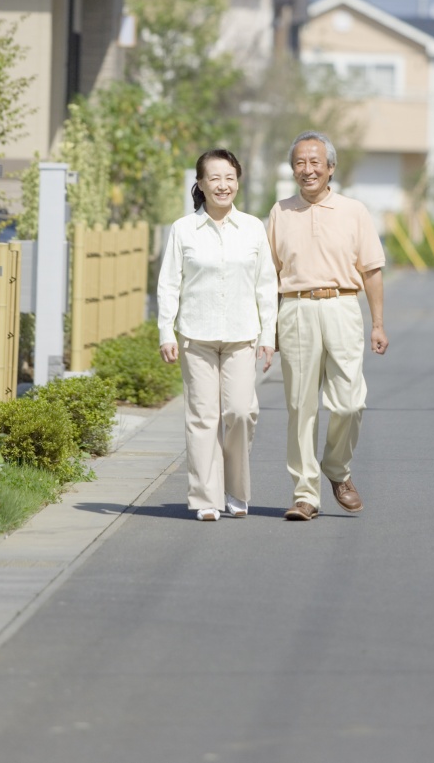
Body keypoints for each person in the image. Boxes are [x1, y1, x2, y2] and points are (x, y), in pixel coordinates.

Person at [267, 131, 389, 521]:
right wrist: (267, 328)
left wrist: (378, 324)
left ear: (330, 168)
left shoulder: (354, 211)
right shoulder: (279, 212)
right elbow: (268, 276)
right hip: (295, 309)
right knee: (301, 406)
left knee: (350, 401)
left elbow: (371, 270)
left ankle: (336, 468)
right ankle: (306, 494)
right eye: (300, 163)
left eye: (315, 162)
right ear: (292, 169)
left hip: (342, 306)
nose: (307, 170)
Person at [158, 149, 278, 522]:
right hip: (197, 335)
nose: (222, 185)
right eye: (214, 178)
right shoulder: (183, 229)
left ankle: (236, 491)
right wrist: (166, 330)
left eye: (229, 177)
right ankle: (205, 498)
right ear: (201, 184)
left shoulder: (253, 227)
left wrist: (268, 336)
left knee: (241, 412)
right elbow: (168, 284)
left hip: (243, 335)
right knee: (203, 417)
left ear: (237, 181)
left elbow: (266, 284)